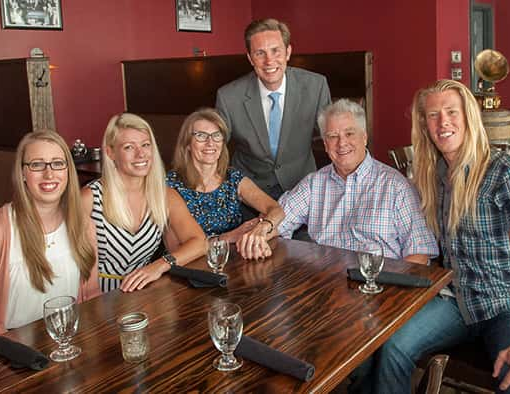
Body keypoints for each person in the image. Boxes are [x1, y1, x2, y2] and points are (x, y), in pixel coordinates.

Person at [371, 79, 510, 394]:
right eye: (433, 115)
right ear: (425, 126)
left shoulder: (508, 171)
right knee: (392, 348)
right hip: (455, 301)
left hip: (505, 302)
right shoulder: (433, 175)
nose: (443, 122)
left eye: (452, 111)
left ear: (469, 117)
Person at [0, 131, 100, 356]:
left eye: (57, 163)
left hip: (57, 349)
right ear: (23, 172)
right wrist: (25, 353)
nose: (49, 173)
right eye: (37, 164)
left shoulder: (83, 226)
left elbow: (91, 297)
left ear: (68, 170)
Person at [277, 99, 437, 263]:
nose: (342, 143)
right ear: (325, 145)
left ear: (364, 137)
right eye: (333, 136)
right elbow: (276, 221)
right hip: (325, 281)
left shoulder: (396, 186)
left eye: (349, 133)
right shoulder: (313, 184)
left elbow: (419, 253)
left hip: (379, 283)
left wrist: (392, 285)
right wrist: (260, 231)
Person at [81, 113, 206, 293]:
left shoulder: (164, 195)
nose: (141, 154)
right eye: (129, 147)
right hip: (97, 297)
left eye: (146, 145)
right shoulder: (89, 198)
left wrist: (160, 266)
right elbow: (77, 272)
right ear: (110, 153)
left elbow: (200, 242)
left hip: (143, 295)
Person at [215, 18, 331, 205]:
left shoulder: (315, 86)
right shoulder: (229, 97)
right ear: (250, 58)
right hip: (250, 195)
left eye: (275, 50)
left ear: (288, 52)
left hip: (303, 190)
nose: (269, 61)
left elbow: (332, 137)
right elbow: (214, 149)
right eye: (260, 53)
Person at [167, 108, 284, 260]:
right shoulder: (170, 185)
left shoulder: (233, 178)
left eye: (216, 136)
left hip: (233, 262)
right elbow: (175, 250)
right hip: (191, 268)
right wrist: (229, 237)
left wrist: (262, 228)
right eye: (201, 136)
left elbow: (276, 209)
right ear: (187, 143)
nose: (210, 143)